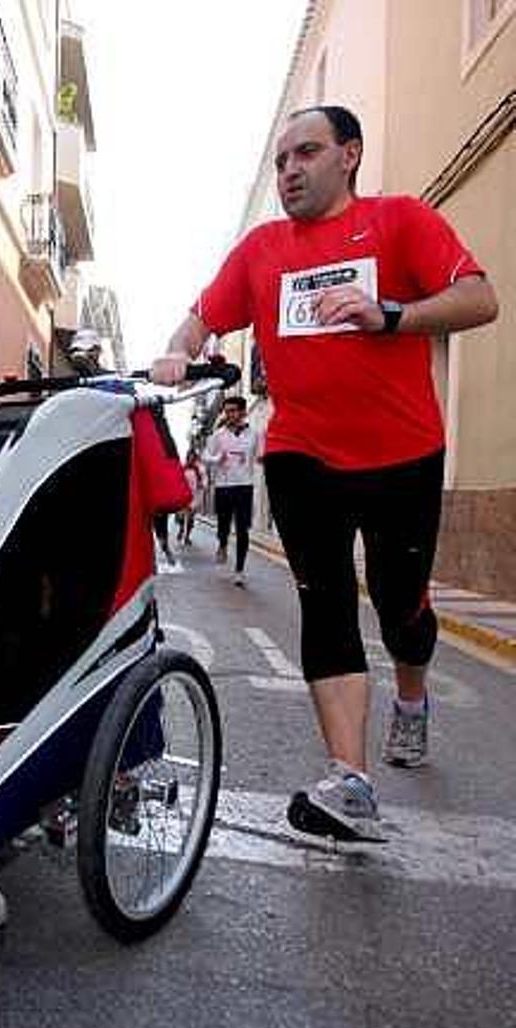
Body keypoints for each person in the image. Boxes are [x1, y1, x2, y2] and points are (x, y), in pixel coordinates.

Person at [151, 105, 498, 842]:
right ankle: (351, 779)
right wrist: (179, 347)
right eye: (280, 161)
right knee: (328, 603)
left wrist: (391, 313)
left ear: (349, 155)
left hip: (403, 451)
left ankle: (411, 696)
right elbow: (201, 316)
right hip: (303, 452)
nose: (289, 172)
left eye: (305, 153)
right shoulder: (262, 249)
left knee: (403, 602)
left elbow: (480, 297)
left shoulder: (401, 221)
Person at [203, 395, 260, 586]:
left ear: (243, 412)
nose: (229, 414)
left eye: (233, 410)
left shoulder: (254, 434)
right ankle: (223, 544)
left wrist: (260, 459)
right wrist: (216, 458)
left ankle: (239, 570)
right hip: (223, 486)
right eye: (227, 411)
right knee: (223, 525)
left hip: (245, 485)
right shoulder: (218, 435)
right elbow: (205, 455)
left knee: (243, 529)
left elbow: (261, 455)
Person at [176, 449, 206, 547]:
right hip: (183, 495)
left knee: (190, 518)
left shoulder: (200, 468)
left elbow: (205, 479)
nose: (191, 458)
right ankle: (181, 528)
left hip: (194, 496)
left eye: (193, 456)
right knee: (181, 516)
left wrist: (202, 484)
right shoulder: (182, 467)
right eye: (189, 456)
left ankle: (187, 536)